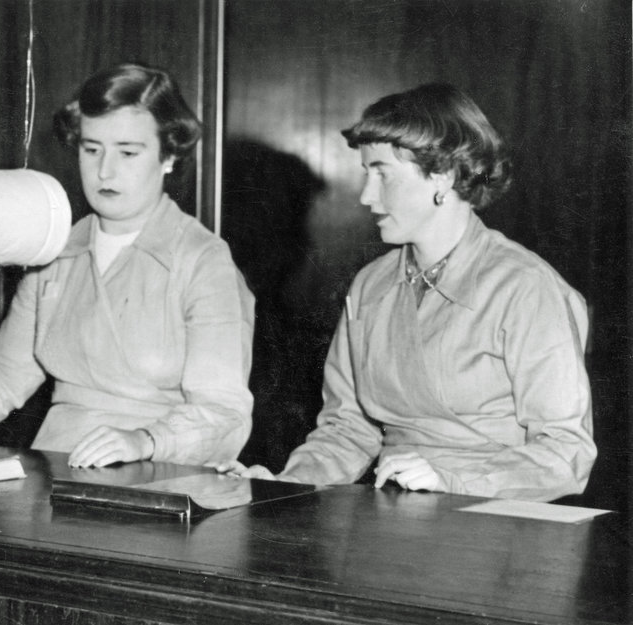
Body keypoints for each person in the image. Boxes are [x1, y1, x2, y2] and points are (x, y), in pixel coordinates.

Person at [0, 63, 255, 469]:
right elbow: (2, 379)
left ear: (169, 157)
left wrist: (146, 442)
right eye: (92, 149)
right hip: (59, 465)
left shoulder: (203, 260)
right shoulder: (56, 249)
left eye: (128, 152)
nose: (105, 171)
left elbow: (223, 413)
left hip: (165, 474)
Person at [220, 83, 595, 502]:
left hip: (496, 526)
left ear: (444, 175)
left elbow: (567, 455)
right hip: (395, 518)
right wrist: (286, 482)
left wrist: (450, 478)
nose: (366, 195)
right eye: (367, 174)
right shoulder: (371, 285)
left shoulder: (526, 288)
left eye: (382, 174)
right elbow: (348, 429)